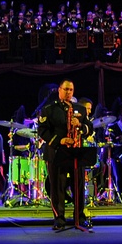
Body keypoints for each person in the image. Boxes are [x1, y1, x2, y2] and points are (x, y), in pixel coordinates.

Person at [37, 79, 94, 231]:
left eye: (71, 90)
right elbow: (42, 131)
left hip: (76, 153)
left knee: (78, 186)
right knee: (58, 187)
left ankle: (80, 217)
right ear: (59, 90)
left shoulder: (80, 109)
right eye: (66, 89)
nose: (68, 92)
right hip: (56, 153)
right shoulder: (49, 109)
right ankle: (59, 219)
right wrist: (59, 140)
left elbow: (90, 127)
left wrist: (81, 126)